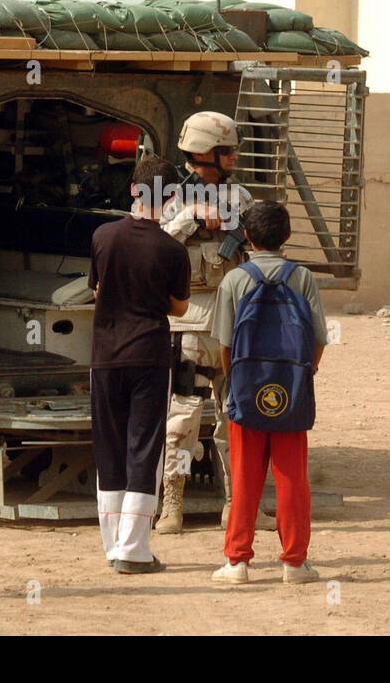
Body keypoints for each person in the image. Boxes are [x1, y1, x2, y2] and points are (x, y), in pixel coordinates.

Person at [157, 111, 274, 533]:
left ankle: (239, 504)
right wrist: (190, 220)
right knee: (182, 420)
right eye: (228, 150)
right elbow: (153, 245)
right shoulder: (170, 199)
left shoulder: (240, 197)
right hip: (187, 323)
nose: (235, 156)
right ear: (208, 151)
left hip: (234, 323)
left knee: (237, 419)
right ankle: (173, 504)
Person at [209, 201, 327, 584]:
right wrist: (302, 374)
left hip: (246, 390)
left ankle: (237, 562)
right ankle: (294, 562)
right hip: (291, 389)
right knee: (292, 475)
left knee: (244, 476)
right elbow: (319, 338)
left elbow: (225, 344)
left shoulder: (234, 280)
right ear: (287, 236)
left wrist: (236, 383)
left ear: (246, 236)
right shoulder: (303, 278)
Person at [88, 156, 191, 574]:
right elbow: (180, 308)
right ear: (171, 198)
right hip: (149, 355)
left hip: (104, 356)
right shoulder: (172, 249)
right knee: (143, 449)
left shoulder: (102, 236)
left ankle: (114, 546)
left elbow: (97, 291)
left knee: (108, 449)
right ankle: (134, 549)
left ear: (133, 189)